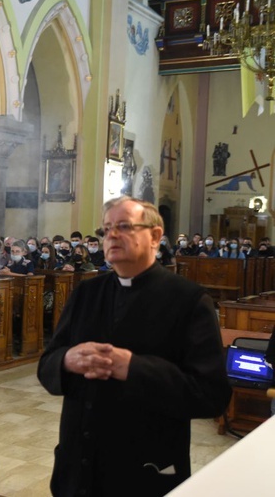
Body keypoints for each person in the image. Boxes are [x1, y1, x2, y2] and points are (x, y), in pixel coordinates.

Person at [37, 196, 231, 497]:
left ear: (155, 235)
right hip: (77, 470)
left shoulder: (188, 300)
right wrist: (66, 360)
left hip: (144, 473)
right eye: (106, 229)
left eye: (124, 226)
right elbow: (46, 364)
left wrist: (134, 368)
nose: (111, 235)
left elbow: (211, 395)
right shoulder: (85, 294)